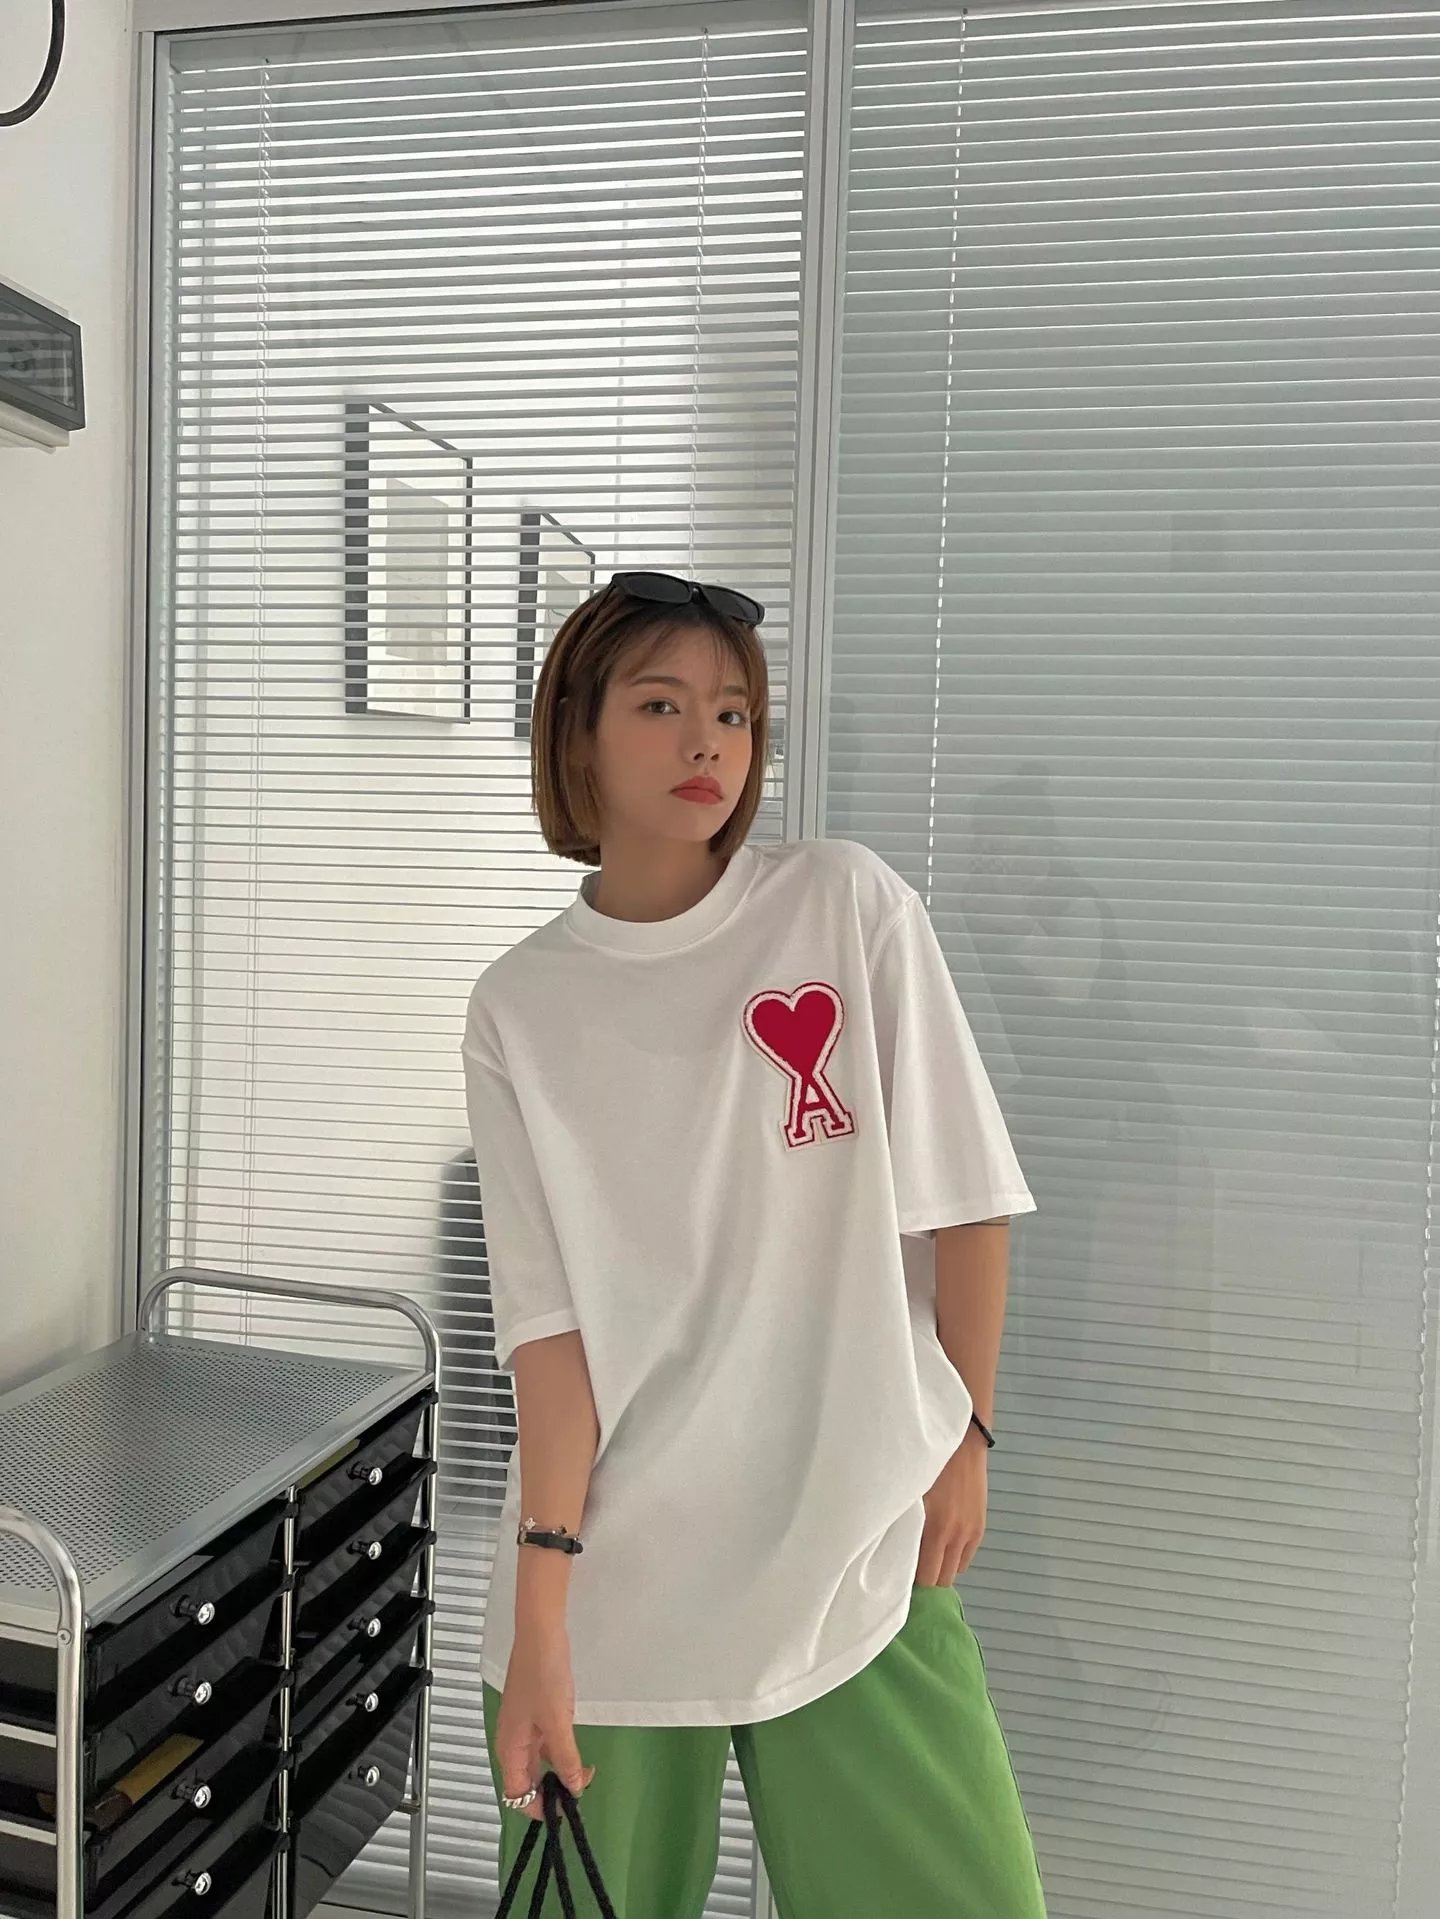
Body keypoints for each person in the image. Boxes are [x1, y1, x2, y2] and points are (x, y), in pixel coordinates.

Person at [461, 569, 1048, 1918]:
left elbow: (965, 1197)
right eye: (659, 705)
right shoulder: (520, 1008)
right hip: (621, 1583)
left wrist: (969, 1436)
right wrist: (541, 1623)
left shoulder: (843, 904)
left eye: (732, 712)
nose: (706, 742)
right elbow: (550, 1340)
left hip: (854, 1544)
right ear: (578, 730)